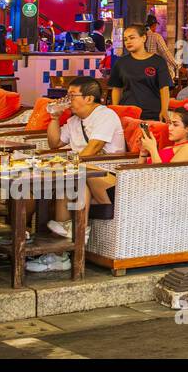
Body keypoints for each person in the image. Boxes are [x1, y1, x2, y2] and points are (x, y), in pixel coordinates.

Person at [32, 77, 126, 271]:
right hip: (81, 175)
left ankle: (63, 248)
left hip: (108, 179)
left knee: (74, 178)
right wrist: (55, 118)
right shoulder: (75, 121)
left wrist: (66, 166)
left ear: (89, 98)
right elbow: (54, 143)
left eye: (72, 95)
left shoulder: (104, 116)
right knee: (69, 184)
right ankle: (60, 251)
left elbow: (93, 149)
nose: (68, 99)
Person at [108, 23, 171, 121]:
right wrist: (116, 110)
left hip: (152, 113)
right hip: (127, 114)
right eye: (125, 39)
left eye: (132, 38)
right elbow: (117, 89)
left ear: (143, 38)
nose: (128, 42)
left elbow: (164, 88)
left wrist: (164, 110)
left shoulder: (158, 61)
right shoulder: (121, 62)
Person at [143, 14, 179, 80]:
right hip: (154, 71)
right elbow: (166, 53)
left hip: (143, 70)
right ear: (154, 25)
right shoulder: (156, 36)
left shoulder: (141, 36)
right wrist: (177, 66)